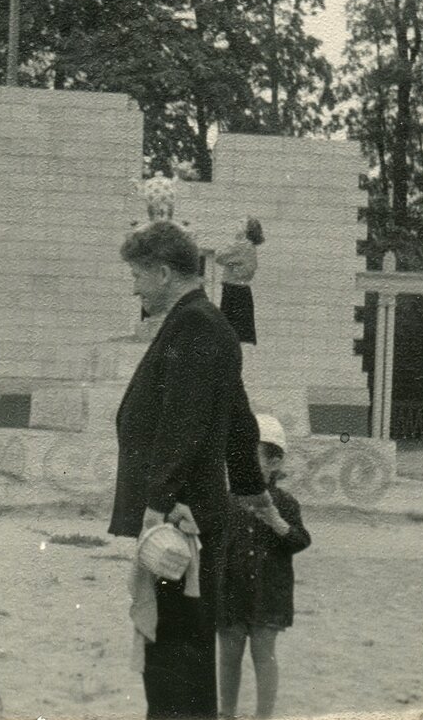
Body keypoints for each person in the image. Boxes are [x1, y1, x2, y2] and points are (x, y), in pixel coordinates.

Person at [110, 220, 275, 719]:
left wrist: (156, 506)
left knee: (175, 647)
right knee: (180, 645)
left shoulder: (197, 324)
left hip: (182, 518)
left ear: (162, 272)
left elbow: (183, 423)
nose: (134, 286)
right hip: (191, 510)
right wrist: (253, 489)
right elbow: (239, 416)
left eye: (137, 275)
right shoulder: (196, 321)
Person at [218, 413, 312, 720]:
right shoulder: (225, 500)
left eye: (250, 456)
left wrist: (276, 522)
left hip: (267, 592)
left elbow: (300, 541)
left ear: (274, 463)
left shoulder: (285, 503)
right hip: (230, 589)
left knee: (263, 655)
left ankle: (263, 716)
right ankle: (227, 712)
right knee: (229, 656)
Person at [215, 216, 264, 345]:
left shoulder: (242, 245)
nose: (238, 223)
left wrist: (230, 265)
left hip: (234, 291)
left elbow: (219, 256)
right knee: (238, 336)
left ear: (248, 229)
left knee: (229, 334)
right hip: (240, 291)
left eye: (242, 222)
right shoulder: (249, 246)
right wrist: (233, 265)